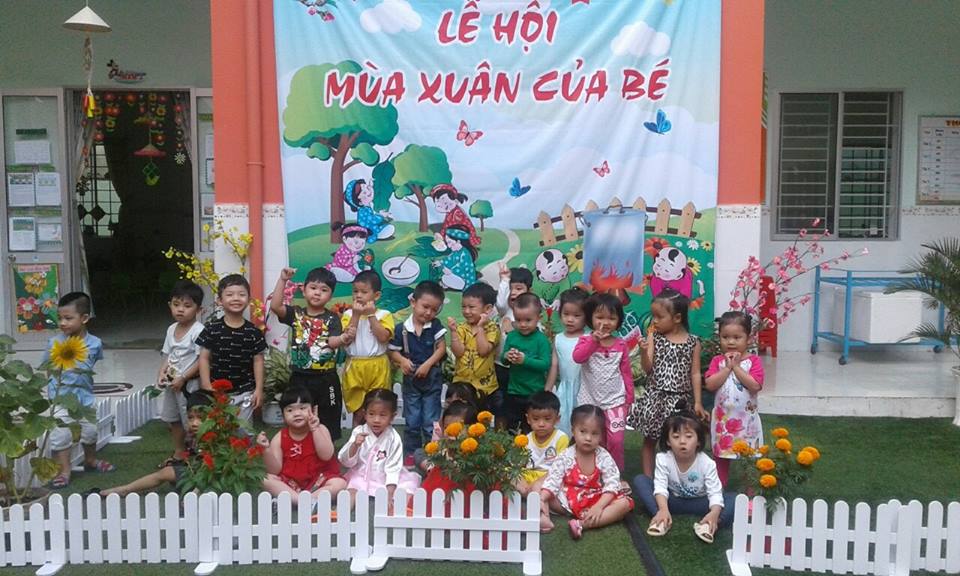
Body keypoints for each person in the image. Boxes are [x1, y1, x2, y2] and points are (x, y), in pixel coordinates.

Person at [632, 406, 736, 543]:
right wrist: (663, 508)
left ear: (698, 441)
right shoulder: (663, 459)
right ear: (668, 441)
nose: (682, 441)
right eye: (676, 437)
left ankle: (710, 524)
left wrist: (714, 513)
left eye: (689, 436)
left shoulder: (707, 463)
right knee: (641, 481)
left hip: (701, 503)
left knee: (734, 499)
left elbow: (715, 493)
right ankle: (661, 518)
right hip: (672, 501)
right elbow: (660, 487)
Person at [270, 266, 352, 440]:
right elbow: (275, 306)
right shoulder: (296, 313)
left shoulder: (333, 318)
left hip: (326, 378)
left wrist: (343, 338)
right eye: (313, 288)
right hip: (299, 377)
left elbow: (332, 341)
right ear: (304, 290)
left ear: (330, 295)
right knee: (298, 416)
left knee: (329, 416)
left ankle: (327, 450)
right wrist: (283, 279)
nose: (317, 293)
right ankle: (299, 448)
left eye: (324, 290)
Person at [46, 292, 112, 489]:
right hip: (60, 398)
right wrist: (52, 391)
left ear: (84, 318)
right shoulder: (54, 343)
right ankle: (64, 471)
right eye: (60, 318)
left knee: (90, 431)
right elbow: (47, 368)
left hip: (85, 397)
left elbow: (93, 362)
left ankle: (90, 460)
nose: (62, 323)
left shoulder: (95, 343)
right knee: (61, 434)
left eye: (68, 318)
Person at [639, 288, 706, 477]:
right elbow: (647, 368)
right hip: (656, 397)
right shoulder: (654, 337)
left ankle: (675, 479)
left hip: (680, 401)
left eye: (659, 317)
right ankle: (648, 480)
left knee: (677, 440)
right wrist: (643, 352)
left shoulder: (693, 342)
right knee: (650, 440)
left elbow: (695, 373)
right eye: (653, 316)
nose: (654, 321)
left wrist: (698, 402)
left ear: (677, 318)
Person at [539, 405, 633, 540]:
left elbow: (612, 483)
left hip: (596, 499)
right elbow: (553, 480)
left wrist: (598, 507)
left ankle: (582, 524)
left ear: (601, 435)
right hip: (568, 500)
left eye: (594, 433)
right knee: (542, 490)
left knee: (624, 504)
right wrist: (542, 498)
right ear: (573, 431)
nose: (588, 438)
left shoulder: (603, 456)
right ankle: (543, 516)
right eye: (583, 431)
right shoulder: (566, 456)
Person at [98, 390, 213, 497]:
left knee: (170, 474)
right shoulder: (195, 436)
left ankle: (125, 489)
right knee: (166, 472)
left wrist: (194, 494)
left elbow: (212, 468)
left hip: (212, 476)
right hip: (200, 473)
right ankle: (125, 489)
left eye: (200, 418)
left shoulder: (215, 437)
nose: (194, 423)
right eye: (190, 418)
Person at [572, 293, 635, 470]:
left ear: (618, 320)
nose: (605, 322)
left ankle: (614, 474)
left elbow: (626, 373)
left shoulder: (621, 345)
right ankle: (591, 472)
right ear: (590, 318)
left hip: (615, 402)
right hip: (590, 401)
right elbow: (578, 357)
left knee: (616, 440)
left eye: (611, 318)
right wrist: (594, 341)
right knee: (592, 439)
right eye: (600, 317)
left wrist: (629, 398)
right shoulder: (585, 340)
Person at [388, 280, 447, 466]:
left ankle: (432, 455)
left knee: (430, 420)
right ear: (413, 302)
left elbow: (441, 348)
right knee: (412, 420)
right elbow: (392, 351)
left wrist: (428, 364)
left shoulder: (435, 325)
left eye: (434, 310)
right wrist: (402, 361)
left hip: (432, 378)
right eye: (425, 307)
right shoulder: (402, 329)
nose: (429, 313)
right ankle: (411, 455)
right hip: (411, 380)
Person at [196, 274, 267, 429]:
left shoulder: (253, 332)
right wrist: (206, 384)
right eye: (229, 294)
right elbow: (204, 358)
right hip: (217, 392)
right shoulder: (212, 329)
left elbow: (258, 361)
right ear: (219, 301)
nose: (236, 298)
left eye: (241, 294)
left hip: (245, 391)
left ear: (248, 300)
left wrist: (259, 389)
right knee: (218, 431)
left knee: (243, 431)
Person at [704, 311, 764, 486]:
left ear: (749, 339)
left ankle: (750, 494)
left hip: (747, 422)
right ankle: (718, 493)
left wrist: (736, 367)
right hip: (723, 421)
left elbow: (755, 385)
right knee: (721, 459)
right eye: (725, 337)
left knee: (748, 459)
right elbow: (710, 384)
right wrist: (727, 368)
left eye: (737, 337)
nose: (730, 342)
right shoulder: (717, 361)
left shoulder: (753, 361)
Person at [257, 387, 346, 505]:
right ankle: (303, 501)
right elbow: (274, 470)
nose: (297, 413)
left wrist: (315, 429)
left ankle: (301, 500)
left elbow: (326, 455)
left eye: (302, 408)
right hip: (291, 483)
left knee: (339, 484)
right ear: (283, 415)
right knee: (265, 479)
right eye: (290, 410)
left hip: (319, 481)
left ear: (313, 410)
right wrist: (266, 449)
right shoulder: (280, 437)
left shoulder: (321, 429)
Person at [338, 389, 419, 511]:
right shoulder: (359, 432)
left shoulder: (394, 438)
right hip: (362, 474)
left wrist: (389, 494)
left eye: (382, 415)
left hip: (385, 476)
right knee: (352, 490)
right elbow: (346, 462)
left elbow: (393, 467)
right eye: (371, 414)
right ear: (364, 414)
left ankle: (400, 511)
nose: (376, 420)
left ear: (392, 417)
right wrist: (355, 445)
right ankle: (340, 512)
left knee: (406, 490)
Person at [156, 280, 205, 466]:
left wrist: (183, 378)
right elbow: (168, 354)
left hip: (189, 385)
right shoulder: (171, 329)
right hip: (172, 383)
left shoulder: (198, 331)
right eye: (176, 304)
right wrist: (161, 373)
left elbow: (202, 360)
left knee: (192, 420)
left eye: (187, 305)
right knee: (173, 418)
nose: (180, 309)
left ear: (199, 310)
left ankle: (199, 454)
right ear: (170, 305)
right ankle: (179, 452)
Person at [339, 270, 395, 426]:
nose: (358, 295)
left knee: (378, 407)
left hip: (378, 365)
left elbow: (383, 337)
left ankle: (379, 439)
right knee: (358, 411)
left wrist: (371, 315)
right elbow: (347, 339)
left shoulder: (384, 314)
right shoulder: (348, 314)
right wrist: (356, 315)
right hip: (355, 366)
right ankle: (357, 439)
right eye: (355, 291)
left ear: (376, 295)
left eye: (364, 292)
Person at [501, 293, 552, 432]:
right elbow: (503, 360)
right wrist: (507, 356)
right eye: (518, 320)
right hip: (513, 391)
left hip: (534, 392)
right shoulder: (512, 336)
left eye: (528, 320)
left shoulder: (541, 340)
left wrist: (525, 360)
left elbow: (545, 365)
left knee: (530, 428)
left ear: (539, 318)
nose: (523, 324)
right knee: (512, 426)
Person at [448, 282, 500, 412]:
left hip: (485, 387)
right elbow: (458, 353)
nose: (466, 311)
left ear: (487, 309)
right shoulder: (461, 328)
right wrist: (453, 332)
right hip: (462, 385)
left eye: (471, 307)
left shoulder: (492, 328)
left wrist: (480, 327)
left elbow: (483, 351)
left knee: (482, 418)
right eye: (463, 307)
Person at [546, 287, 589, 437]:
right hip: (565, 389)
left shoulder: (589, 338)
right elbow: (554, 366)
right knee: (563, 425)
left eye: (576, 315)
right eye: (566, 314)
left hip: (585, 389)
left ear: (586, 316)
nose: (570, 319)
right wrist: (547, 390)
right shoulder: (558, 339)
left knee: (585, 422)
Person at [494, 264, 534, 401]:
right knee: (500, 400)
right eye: (510, 289)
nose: (513, 292)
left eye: (519, 288)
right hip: (500, 364)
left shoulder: (531, 314)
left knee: (518, 399)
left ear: (529, 291)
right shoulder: (505, 310)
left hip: (521, 366)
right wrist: (504, 279)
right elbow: (500, 303)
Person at [516, 391, 568, 495]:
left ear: (557, 419)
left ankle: (531, 495)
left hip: (549, 475)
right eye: (535, 419)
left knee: (539, 486)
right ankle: (528, 493)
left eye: (547, 419)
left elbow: (561, 468)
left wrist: (539, 481)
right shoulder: (526, 439)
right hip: (528, 475)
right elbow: (520, 464)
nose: (541, 424)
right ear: (528, 419)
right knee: (509, 475)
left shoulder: (561, 438)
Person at [344, 179, 394, 243]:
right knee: (389, 228)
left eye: (367, 187)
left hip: (372, 227)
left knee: (388, 226)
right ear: (360, 202)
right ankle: (373, 236)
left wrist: (370, 186)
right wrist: (381, 215)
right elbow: (372, 220)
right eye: (364, 193)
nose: (369, 192)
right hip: (369, 230)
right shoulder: (363, 210)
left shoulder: (366, 207)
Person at [435, 225, 477, 291]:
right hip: (457, 278)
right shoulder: (456, 252)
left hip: (465, 281)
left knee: (445, 277)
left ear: (458, 241)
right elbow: (448, 260)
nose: (448, 246)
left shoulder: (465, 254)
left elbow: (459, 268)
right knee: (445, 277)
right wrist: (440, 262)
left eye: (449, 242)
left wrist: (446, 269)